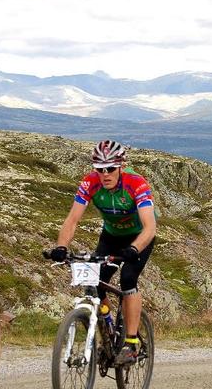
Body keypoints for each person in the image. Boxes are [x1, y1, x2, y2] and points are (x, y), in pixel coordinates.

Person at [50, 140, 156, 363]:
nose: (105, 174)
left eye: (110, 168)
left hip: (139, 239)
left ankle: (132, 343)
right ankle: (107, 326)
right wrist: (61, 247)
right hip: (111, 237)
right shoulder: (89, 184)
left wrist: (134, 248)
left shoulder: (136, 184)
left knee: (128, 279)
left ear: (120, 166)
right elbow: (72, 219)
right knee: (95, 283)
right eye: (100, 169)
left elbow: (150, 227)